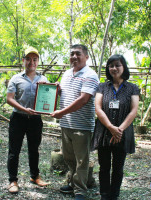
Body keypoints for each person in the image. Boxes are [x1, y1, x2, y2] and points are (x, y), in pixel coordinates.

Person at [51, 44, 99, 200]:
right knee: (68, 157)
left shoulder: (90, 75)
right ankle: (73, 183)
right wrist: (57, 91)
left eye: (78, 54)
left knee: (81, 160)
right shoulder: (66, 74)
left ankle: (80, 190)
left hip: (82, 126)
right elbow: (65, 95)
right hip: (66, 124)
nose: (74, 57)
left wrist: (61, 113)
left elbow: (83, 100)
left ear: (86, 56)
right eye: (72, 54)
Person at [91, 54, 140, 200]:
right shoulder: (102, 87)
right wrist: (111, 127)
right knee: (104, 166)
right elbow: (98, 109)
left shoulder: (132, 88)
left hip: (122, 133)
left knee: (118, 168)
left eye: (117, 65)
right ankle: (104, 194)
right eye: (111, 65)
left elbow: (133, 110)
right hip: (104, 132)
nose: (114, 68)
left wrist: (120, 130)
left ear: (123, 67)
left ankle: (114, 195)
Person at [6, 47, 49, 194]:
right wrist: (24, 109)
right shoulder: (16, 78)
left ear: (38, 62)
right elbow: (9, 99)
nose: (32, 62)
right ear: (23, 60)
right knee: (14, 151)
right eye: (29, 59)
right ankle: (13, 180)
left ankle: (35, 176)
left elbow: (48, 98)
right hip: (18, 118)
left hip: (36, 120)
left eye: (35, 59)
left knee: (34, 149)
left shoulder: (43, 80)